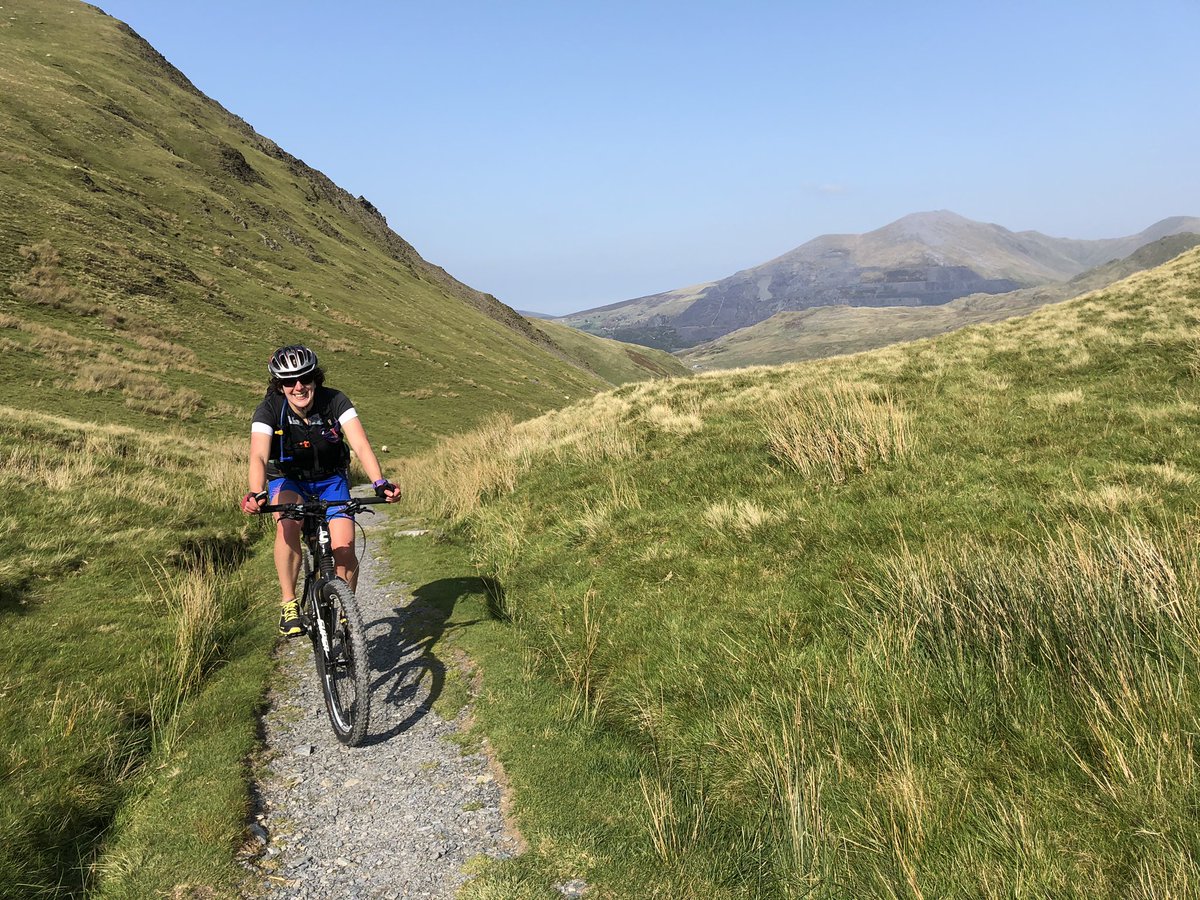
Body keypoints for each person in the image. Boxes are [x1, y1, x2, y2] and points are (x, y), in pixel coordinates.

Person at [240, 345, 400, 636]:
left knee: (345, 547)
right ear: (279, 385)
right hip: (289, 480)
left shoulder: (334, 400)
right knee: (288, 525)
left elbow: (360, 444)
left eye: (305, 378)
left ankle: (345, 608)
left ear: (316, 378)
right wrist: (256, 492)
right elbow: (259, 456)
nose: (299, 387)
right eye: (289, 382)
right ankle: (289, 603)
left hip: (331, 479)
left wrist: (379, 482)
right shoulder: (269, 409)